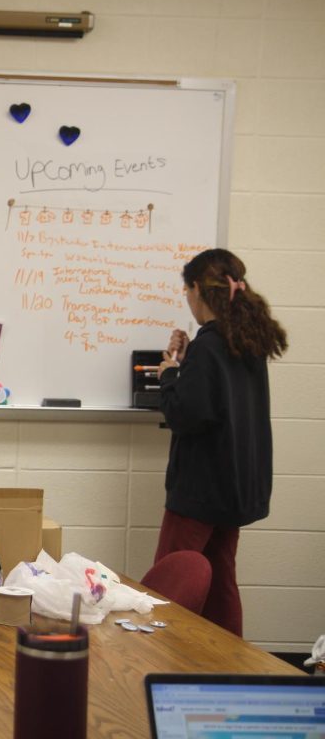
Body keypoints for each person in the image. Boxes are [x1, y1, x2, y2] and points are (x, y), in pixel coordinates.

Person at [155, 248, 287, 636]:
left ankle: (156, 658)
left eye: (187, 291)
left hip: (200, 490)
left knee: (173, 575)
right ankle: (229, 667)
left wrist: (168, 374)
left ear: (197, 289)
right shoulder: (244, 341)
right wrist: (185, 361)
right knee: (221, 582)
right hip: (233, 487)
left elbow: (186, 413)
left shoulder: (210, 345)